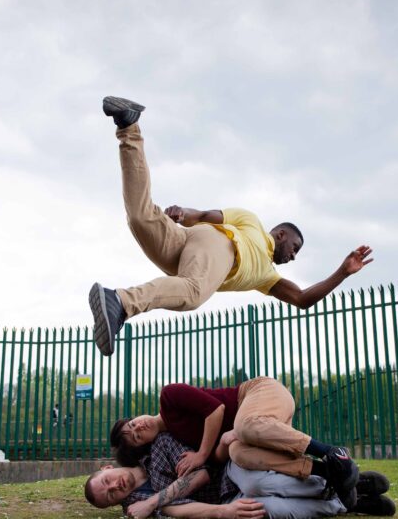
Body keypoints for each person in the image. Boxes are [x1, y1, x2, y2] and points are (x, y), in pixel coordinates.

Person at [89, 96, 374, 357]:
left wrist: (342, 273)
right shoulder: (251, 223)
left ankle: (129, 125)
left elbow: (302, 298)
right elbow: (205, 214)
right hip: (217, 246)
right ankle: (121, 301)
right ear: (281, 234)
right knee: (193, 293)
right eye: (295, 248)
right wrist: (182, 213)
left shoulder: (267, 278)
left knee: (140, 217)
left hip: (187, 258)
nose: (293, 256)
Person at [110, 376, 363, 509]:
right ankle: (325, 472)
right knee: (239, 453)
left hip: (259, 393)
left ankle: (332, 453)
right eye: (136, 437)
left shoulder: (169, 397)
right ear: (146, 445)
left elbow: (216, 410)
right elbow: (219, 459)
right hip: (259, 427)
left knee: (243, 427)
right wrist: (223, 441)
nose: (138, 428)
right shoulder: (174, 442)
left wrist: (201, 453)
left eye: (133, 424)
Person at [86, 431, 394, 518]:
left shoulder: (158, 448)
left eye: (107, 482)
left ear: (107, 469)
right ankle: (345, 503)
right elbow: (177, 512)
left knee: (256, 482)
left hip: (230, 474)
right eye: (111, 495)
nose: (115, 487)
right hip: (227, 500)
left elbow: (203, 474)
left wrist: (155, 503)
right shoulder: (135, 508)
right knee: (265, 509)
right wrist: (226, 511)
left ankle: (339, 481)